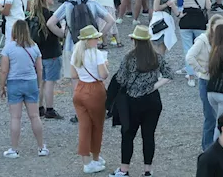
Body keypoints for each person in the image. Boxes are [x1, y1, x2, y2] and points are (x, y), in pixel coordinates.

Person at [114, 25, 170, 177]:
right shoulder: (156, 57)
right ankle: (148, 170)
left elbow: (121, 79)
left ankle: (124, 170)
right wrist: (153, 86)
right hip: (152, 100)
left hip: (132, 101)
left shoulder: (128, 58)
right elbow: (168, 75)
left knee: (127, 134)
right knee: (148, 135)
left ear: (134, 40)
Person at [0, 21, 45, 158]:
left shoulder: (8, 48)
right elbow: (40, 68)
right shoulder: (34, 47)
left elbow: (4, 70)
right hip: (30, 81)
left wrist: (2, 85)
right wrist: (38, 83)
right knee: (35, 116)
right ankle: (41, 147)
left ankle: (14, 149)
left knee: (15, 117)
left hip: (14, 83)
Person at [69, 25, 109, 173]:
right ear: (89, 40)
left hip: (80, 89)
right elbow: (103, 75)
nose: (98, 39)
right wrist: (105, 65)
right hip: (94, 90)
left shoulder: (76, 53)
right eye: (95, 38)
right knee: (97, 126)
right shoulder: (97, 54)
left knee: (84, 127)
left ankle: (86, 162)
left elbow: (73, 75)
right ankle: (96, 158)